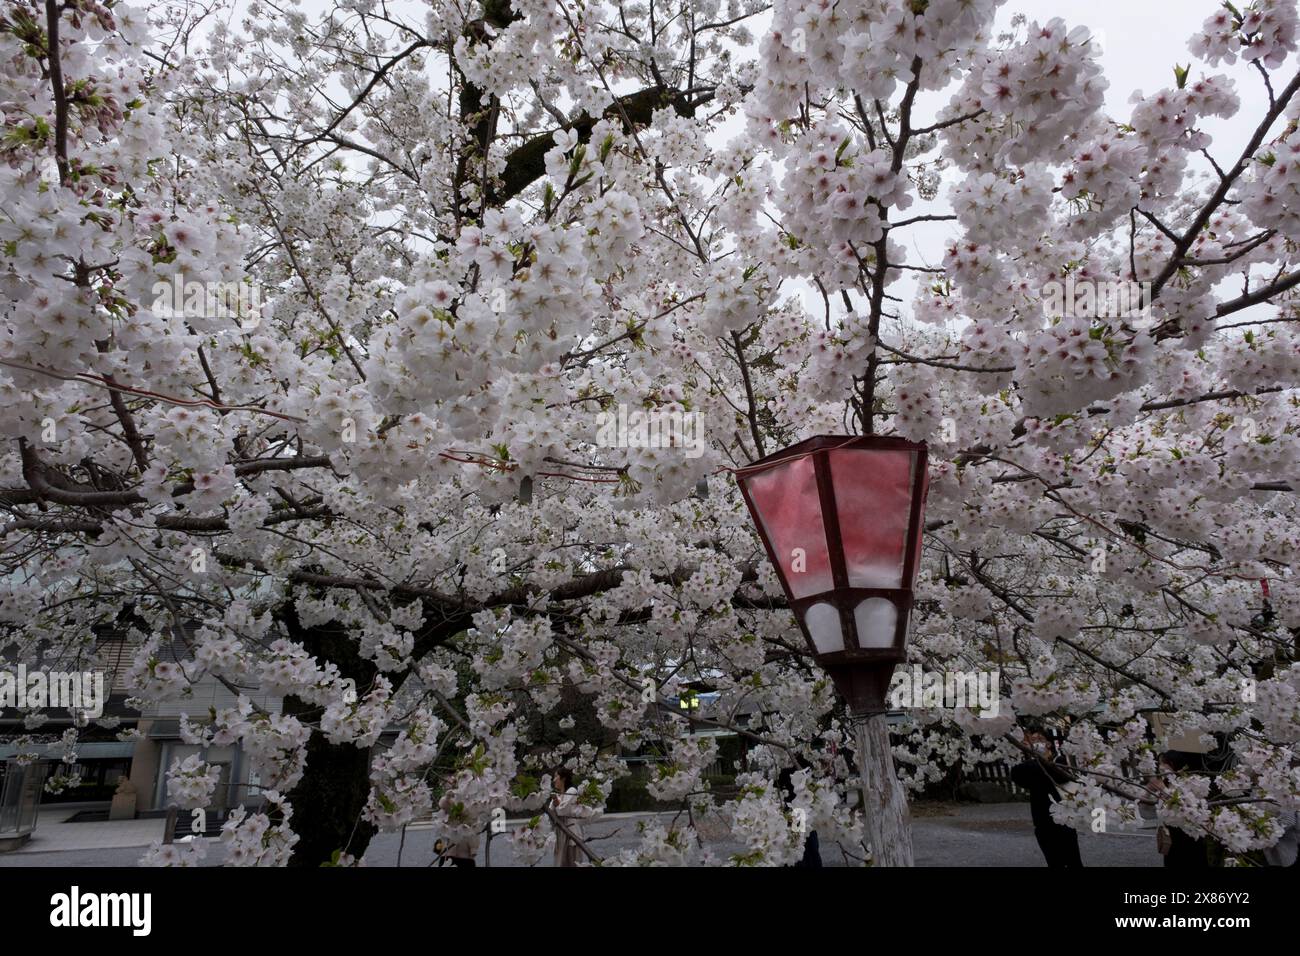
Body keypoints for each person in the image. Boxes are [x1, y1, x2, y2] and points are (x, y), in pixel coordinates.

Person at [1009, 731, 1083, 867]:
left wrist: (1041, 764)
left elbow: (1061, 776)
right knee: (1054, 863)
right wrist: (1038, 761)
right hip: (1043, 824)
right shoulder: (1029, 766)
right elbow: (1016, 774)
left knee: (1074, 862)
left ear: (1048, 744)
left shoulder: (1059, 761)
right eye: (1033, 740)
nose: (1036, 742)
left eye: (1040, 739)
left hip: (1064, 822)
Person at [552, 767, 592, 867]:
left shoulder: (572, 790)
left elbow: (562, 810)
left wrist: (556, 804)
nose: (554, 780)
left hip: (571, 835)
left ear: (563, 778)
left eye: (556, 776)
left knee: (573, 864)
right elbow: (551, 813)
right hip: (560, 834)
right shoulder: (557, 795)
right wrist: (556, 803)